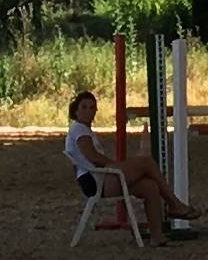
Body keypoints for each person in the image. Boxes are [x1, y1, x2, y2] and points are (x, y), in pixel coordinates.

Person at [64, 85, 195, 238]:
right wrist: (114, 166)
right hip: (95, 179)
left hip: (98, 178)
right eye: (84, 107)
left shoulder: (83, 130)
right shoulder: (79, 129)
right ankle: (174, 204)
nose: (88, 111)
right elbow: (93, 157)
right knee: (147, 163)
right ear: (76, 111)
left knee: (150, 187)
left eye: (92, 108)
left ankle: (157, 236)